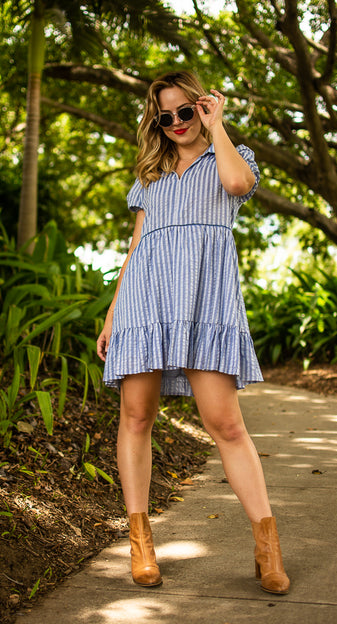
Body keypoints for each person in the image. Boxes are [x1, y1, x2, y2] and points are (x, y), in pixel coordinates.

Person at [97, 70, 290, 595]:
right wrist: (114, 313)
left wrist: (217, 125)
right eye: (166, 116)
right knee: (137, 416)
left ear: (202, 106)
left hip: (206, 301)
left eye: (186, 111)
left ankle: (267, 548)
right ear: (156, 121)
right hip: (145, 301)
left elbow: (236, 186)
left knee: (226, 423)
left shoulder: (232, 156)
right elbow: (136, 249)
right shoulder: (149, 175)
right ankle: (140, 546)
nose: (177, 123)